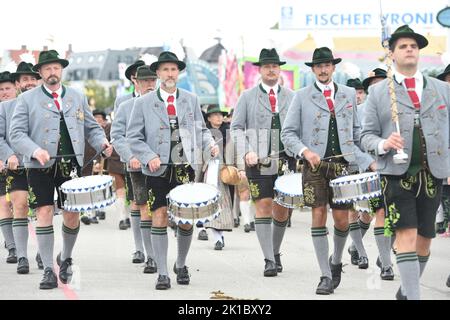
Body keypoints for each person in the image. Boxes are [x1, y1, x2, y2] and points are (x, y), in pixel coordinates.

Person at [9, 50, 113, 289]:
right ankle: (48, 269)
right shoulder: (26, 99)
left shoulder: (76, 96)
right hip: (39, 166)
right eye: (47, 69)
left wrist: (102, 143)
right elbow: (16, 134)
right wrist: (35, 150)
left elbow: (92, 127)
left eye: (56, 68)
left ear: (61, 70)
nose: (52, 72)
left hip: (72, 164)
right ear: (41, 73)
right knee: (44, 212)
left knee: (71, 214)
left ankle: (65, 257)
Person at [360, 25, 450, 300]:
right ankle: (414, 296)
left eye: (413, 46)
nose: (409, 49)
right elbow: (365, 136)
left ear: (419, 52)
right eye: (403, 46)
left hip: (433, 174)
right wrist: (383, 144)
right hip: (396, 174)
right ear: (392, 54)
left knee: (425, 240)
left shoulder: (440, 88)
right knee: (406, 236)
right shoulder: (378, 93)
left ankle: (405, 291)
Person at [281, 47, 374, 295]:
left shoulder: (347, 94)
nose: (323, 70)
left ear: (333, 68)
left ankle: (336, 261)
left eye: (327, 65)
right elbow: (287, 133)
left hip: (344, 166)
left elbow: (356, 135)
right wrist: (305, 152)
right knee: (319, 214)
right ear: (313, 69)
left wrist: (368, 160)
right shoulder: (301, 97)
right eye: (318, 66)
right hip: (314, 167)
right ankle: (324, 274)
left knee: (342, 220)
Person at [127, 51, 218, 290]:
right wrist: (148, 156)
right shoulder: (143, 102)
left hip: (184, 167)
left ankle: (180, 263)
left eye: (173, 70)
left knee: (185, 219)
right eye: (165, 70)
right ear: (157, 73)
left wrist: (210, 144)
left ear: (178, 73)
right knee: (159, 215)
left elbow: (201, 129)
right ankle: (163, 272)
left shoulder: (190, 99)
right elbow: (133, 137)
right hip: (156, 169)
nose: (169, 74)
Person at [231, 48, 296, 277]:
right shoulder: (247, 96)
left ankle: (275, 251)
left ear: (279, 69)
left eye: (275, 66)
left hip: (287, 159)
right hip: (257, 161)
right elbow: (236, 128)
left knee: (282, 210)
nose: (271, 70)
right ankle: (269, 259)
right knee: (264, 206)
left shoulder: (292, 96)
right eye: (267, 66)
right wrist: (247, 151)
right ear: (260, 70)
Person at [111, 65, 158, 271]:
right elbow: (117, 136)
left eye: (152, 81)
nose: (149, 85)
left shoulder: (163, 103)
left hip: (161, 165)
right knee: (142, 206)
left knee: (159, 210)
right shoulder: (125, 106)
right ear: (135, 82)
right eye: (145, 81)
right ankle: (146, 252)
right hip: (137, 165)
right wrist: (130, 156)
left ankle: (155, 251)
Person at [0, 62, 43, 273]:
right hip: (16, 167)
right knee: (19, 206)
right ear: (17, 84)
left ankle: (43, 250)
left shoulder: (49, 104)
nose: (29, 83)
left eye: (33, 79)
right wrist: (9, 155)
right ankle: (21, 256)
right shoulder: (5, 107)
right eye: (25, 79)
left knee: (44, 211)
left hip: (43, 166)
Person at [113, 59, 145, 230]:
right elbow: (119, 131)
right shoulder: (123, 102)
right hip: (131, 155)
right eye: (142, 76)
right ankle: (139, 245)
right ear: (134, 79)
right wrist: (129, 154)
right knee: (136, 199)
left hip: (156, 157)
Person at [203, 104, 234, 250]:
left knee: (224, 203)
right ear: (208, 118)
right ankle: (217, 237)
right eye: (215, 115)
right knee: (211, 203)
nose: (219, 117)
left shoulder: (229, 132)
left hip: (225, 172)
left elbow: (235, 152)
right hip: (208, 172)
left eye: (220, 115)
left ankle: (220, 235)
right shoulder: (204, 133)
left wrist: (238, 169)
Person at [0, 71, 18, 264]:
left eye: (8, 88)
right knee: (4, 204)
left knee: (21, 205)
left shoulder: (23, 107)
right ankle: (12, 247)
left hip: (22, 163)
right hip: (2, 164)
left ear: (16, 88)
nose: (5, 92)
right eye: (1, 90)